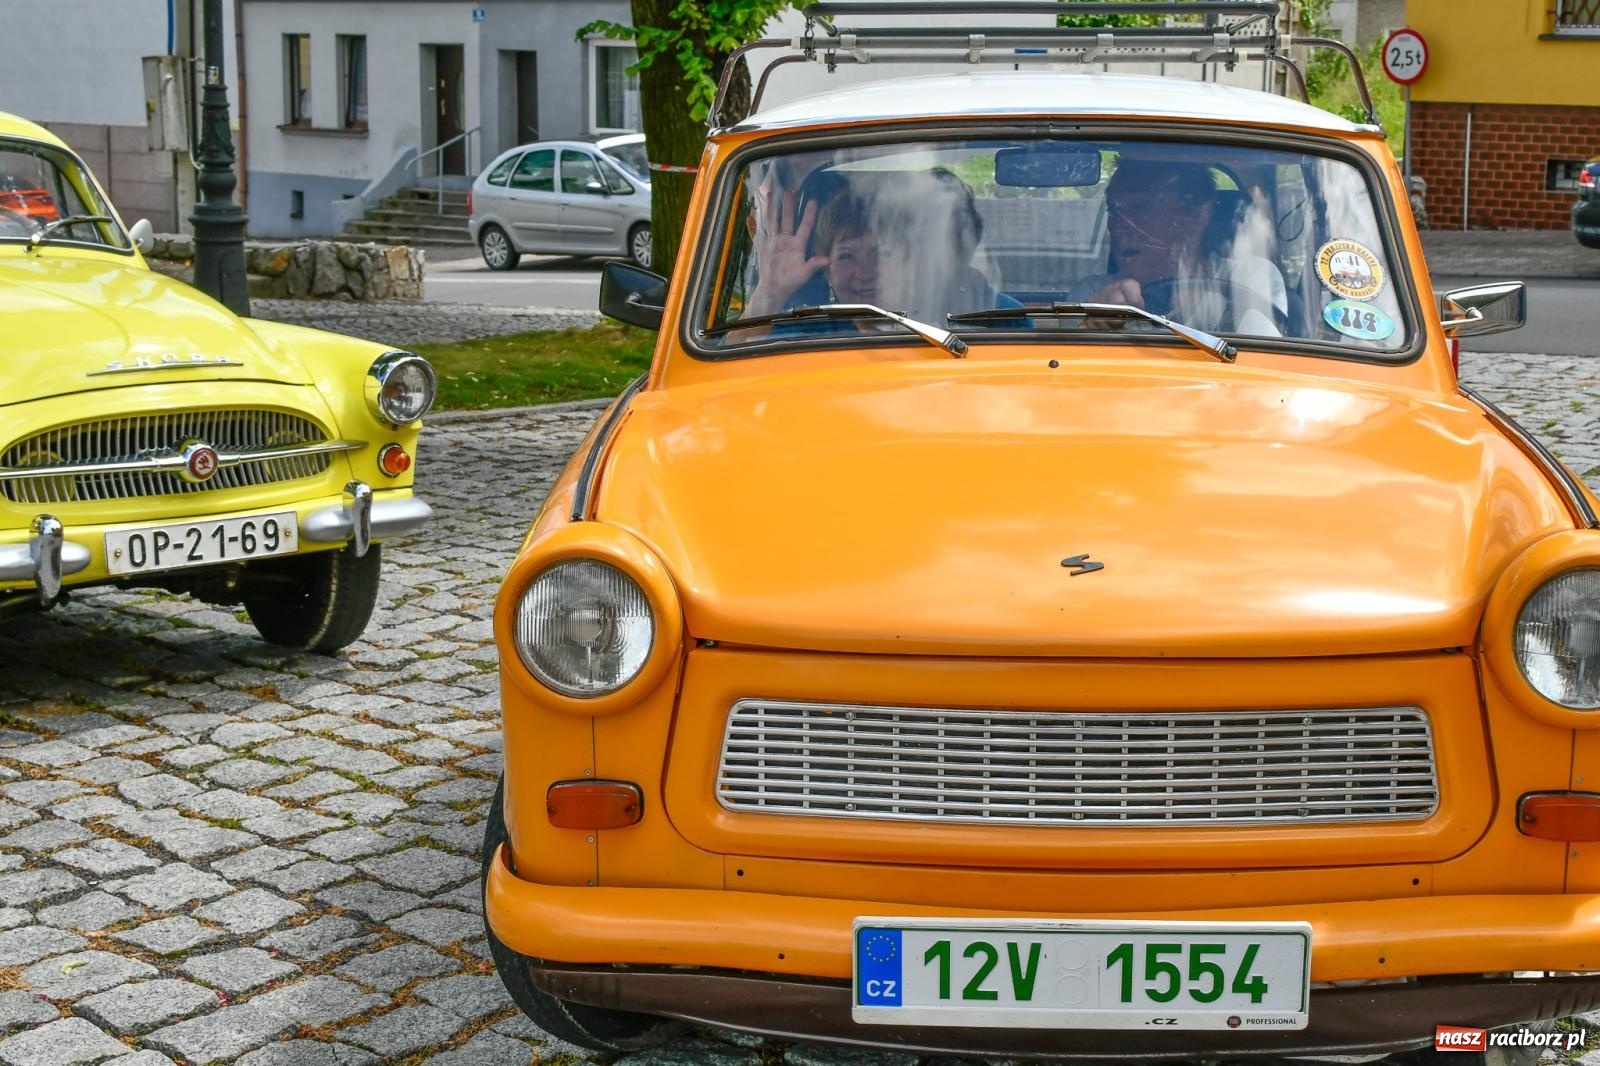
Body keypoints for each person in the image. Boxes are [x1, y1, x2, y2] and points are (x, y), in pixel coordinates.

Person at [740, 167, 1018, 331]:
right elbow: (734, 376)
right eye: (847, 255)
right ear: (827, 270)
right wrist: (768, 294)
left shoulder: (990, 319)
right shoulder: (811, 328)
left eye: (881, 255)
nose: (864, 271)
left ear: (910, 262)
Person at [1072, 157, 1284, 336]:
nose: (1118, 226)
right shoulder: (1094, 292)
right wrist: (1093, 326)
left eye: (1139, 208)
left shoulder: (1248, 276)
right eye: (1114, 211)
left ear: (1197, 215)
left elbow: (1265, 366)